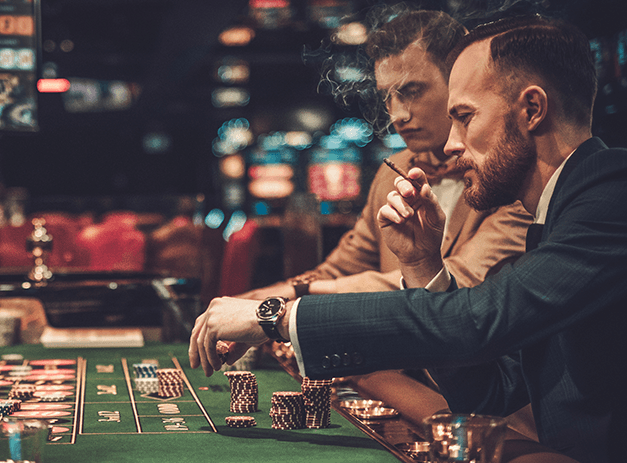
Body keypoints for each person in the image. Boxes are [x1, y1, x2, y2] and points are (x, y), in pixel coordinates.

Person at [189, 15, 626, 463]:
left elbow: (473, 320)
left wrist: (275, 317)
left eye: (465, 117)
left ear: (532, 109)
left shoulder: (613, 195)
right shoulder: (560, 211)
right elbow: (489, 391)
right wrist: (423, 266)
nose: (452, 145)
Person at [238, 10, 532, 302]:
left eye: (411, 91)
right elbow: (339, 269)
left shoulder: (505, 169)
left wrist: (301, 291)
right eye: (387, 97)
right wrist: (273, 297)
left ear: (457, 81)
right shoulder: (394, 170)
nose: (398, 115)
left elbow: (460, 279)